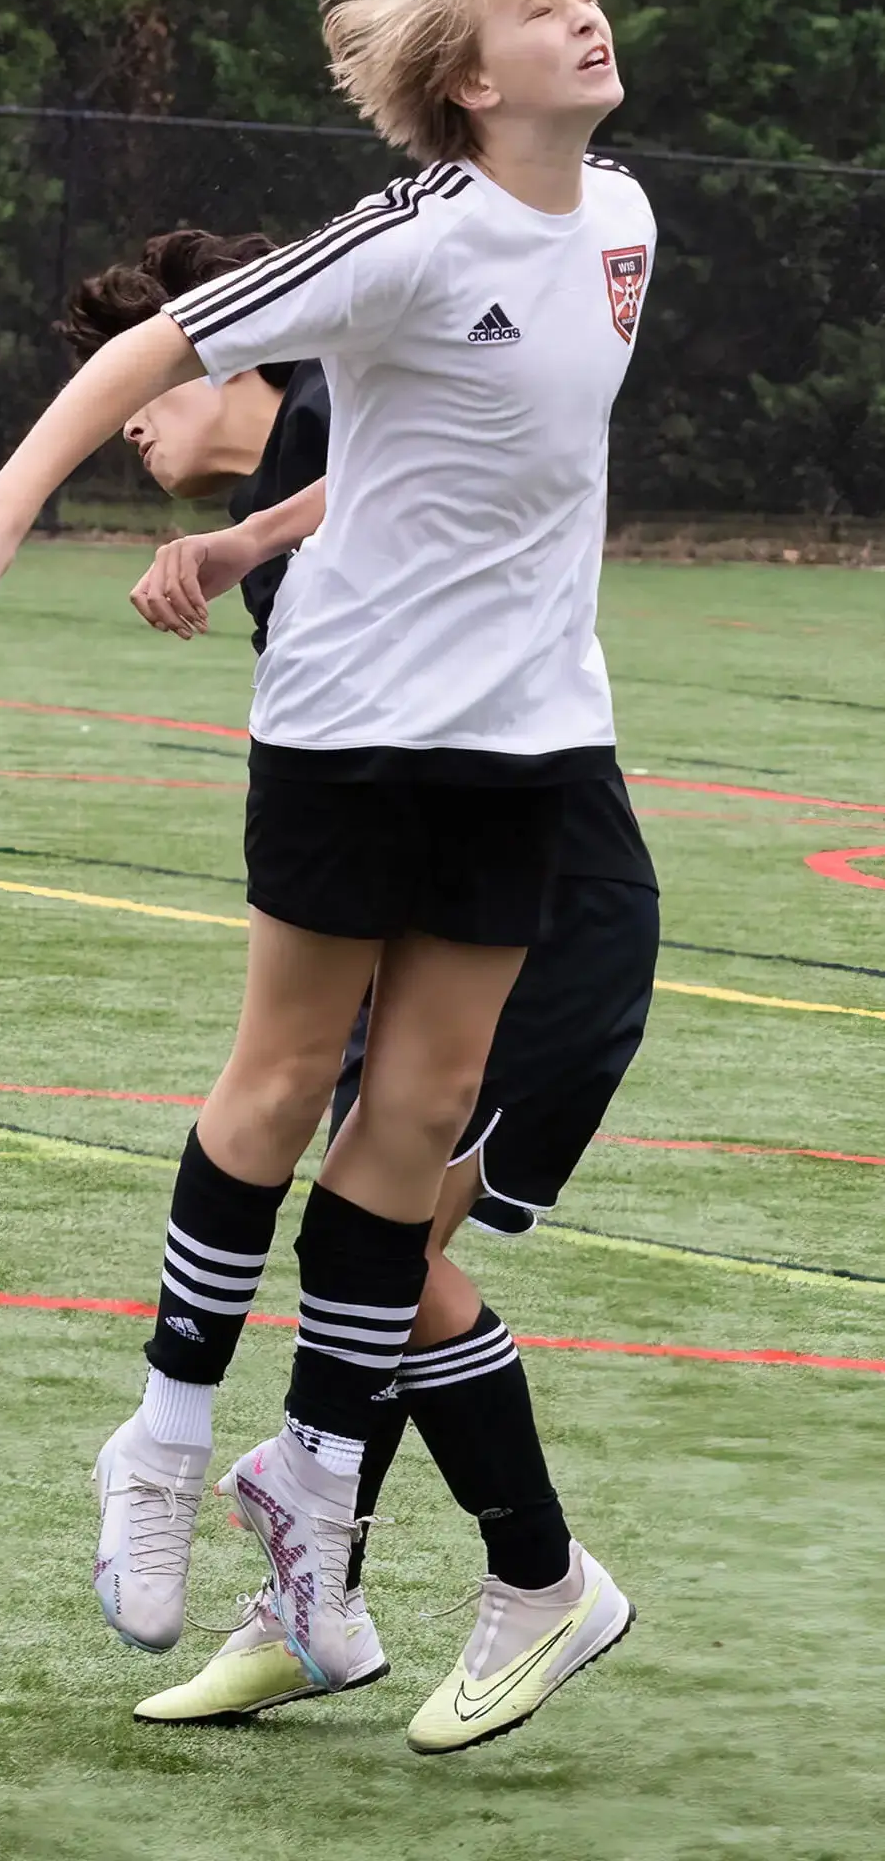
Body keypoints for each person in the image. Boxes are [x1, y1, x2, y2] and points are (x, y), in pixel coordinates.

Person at [0, 0, 656, 1754]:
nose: (584, 13)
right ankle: (164, 1448)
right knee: (276, 1093)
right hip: (347, 731)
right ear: (471, 84)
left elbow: (472, 456)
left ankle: (314, 1531)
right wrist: (5, 510)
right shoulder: (406, 228)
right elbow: (160, 344)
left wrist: (252, 518)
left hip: (525, 750)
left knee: (404, 1133)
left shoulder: (627, 224)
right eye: (534, 8)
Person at [55, 226, 658, 1741]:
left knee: (385, 1264)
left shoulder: (345, 397)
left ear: (234, 355)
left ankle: (531, 1577)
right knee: (362, 1262)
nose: (130, 425)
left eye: (144, 385)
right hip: (427, 910)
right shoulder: (300, 465)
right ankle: (314, 1597)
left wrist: (246, 543)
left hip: (544, 925)